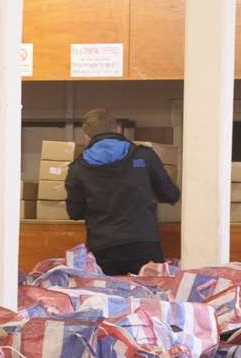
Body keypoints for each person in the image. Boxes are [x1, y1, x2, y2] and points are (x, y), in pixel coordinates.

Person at [65, 108, 180, 276]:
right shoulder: (144, 156)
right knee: (152, 295)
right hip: (144, 243)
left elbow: (75, 212)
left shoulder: (78, 168)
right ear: (118, 129)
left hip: (104, 247)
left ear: (86, 136)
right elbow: (171, 194)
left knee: (105, 298)